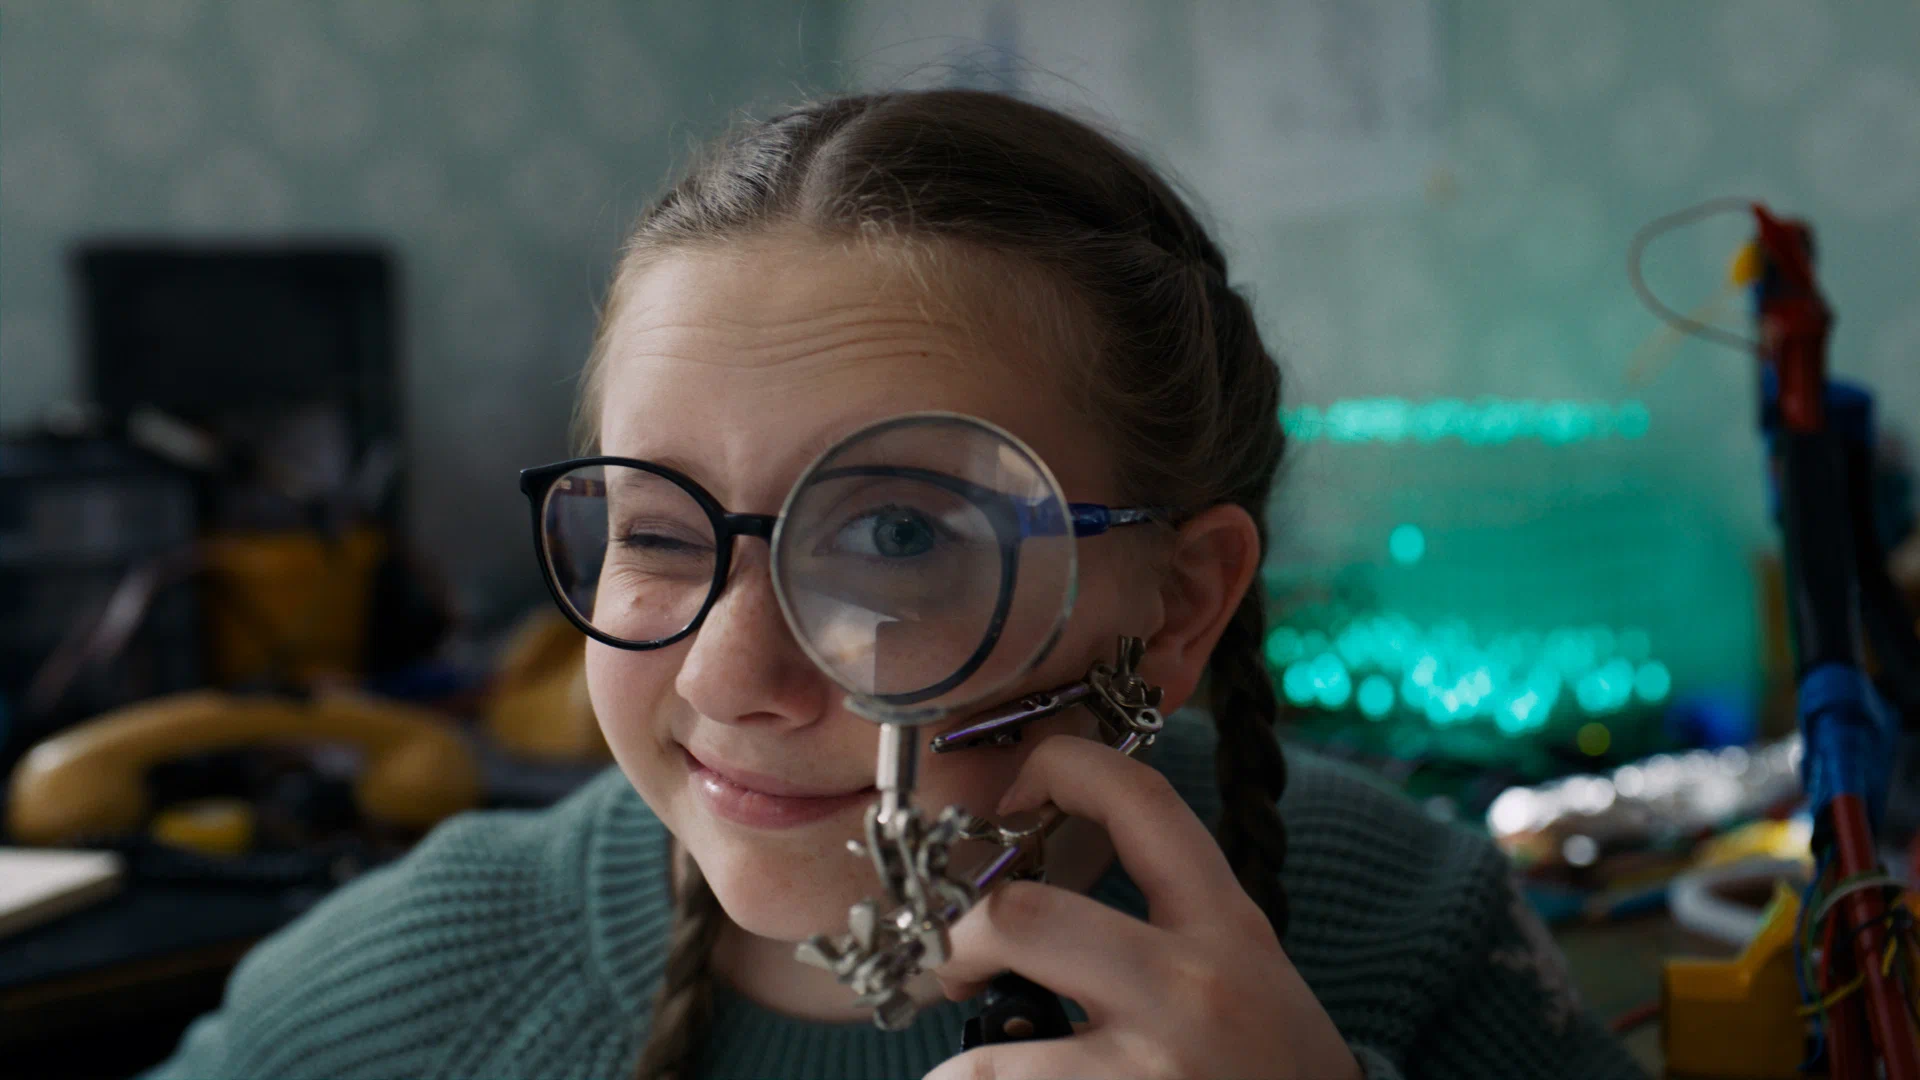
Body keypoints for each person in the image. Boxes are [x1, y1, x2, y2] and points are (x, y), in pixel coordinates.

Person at [141, 89, 1646, 1080]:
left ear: (1181, 602)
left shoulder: (1409, 931)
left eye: (902, 540)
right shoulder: (431, 977)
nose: (729, 678)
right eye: (657, 530)